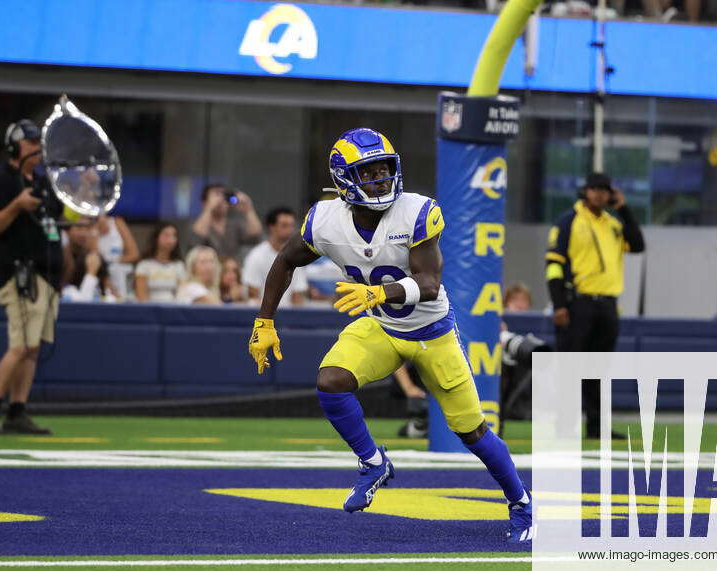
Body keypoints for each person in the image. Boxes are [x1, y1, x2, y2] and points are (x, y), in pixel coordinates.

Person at [247, 128, 534, 543]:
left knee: (472, 432)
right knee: (331, 381)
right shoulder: (325, 220)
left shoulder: (415, 213)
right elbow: (285, 261)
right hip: (382, 326)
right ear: (345, 179)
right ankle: (372, 461)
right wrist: (264, 321)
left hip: (431, 332)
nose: (381, 179)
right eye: (369, 172)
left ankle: (521, 503)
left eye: (385, 169)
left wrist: (380, 291)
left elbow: (431, 283)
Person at [0, 119, 65, 435]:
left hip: (45, 276)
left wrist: (84, 189)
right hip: (19, 274)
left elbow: (61, 218)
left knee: (33, 348)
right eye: (30, 143)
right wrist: (17, 205)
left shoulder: (41, 182)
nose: (37, 149)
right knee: (20, 345)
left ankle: (17, 410)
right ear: (15, 147)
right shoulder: (2, 181)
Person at [545, 172, 645, 439]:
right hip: (579, 303)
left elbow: (637, 244)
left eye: (605, 190)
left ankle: (596, 427)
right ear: (585, 191)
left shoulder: (612, 223)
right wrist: (559, 305)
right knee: (571, 367)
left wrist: (623, 208)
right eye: (595, 189)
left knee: (598, 369)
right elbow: (554, 264)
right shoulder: (569, 221)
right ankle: (565, 426)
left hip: (608, 305)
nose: (600, 194)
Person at [241, 207, 308, 307]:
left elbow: (297, 296)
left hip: (289, 317)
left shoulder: (298, 256)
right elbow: (252, 295)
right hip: (262, 316)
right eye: (284, 225)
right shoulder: (256, 256)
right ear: (271, 227)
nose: (290, 230)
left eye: (292, 226)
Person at [190, 183, 263, 260]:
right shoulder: (197, 223)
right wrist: (209, 207)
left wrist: (248, 209)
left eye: (224, 196)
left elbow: (256, 238)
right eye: (217, 195)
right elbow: (195, 241)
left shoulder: (234, 224)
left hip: (232, 270)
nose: (221, 199)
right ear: (204, 202)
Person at [62, 224, 115, 303]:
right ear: (67, 232)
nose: (84, 233)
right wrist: (91, 273)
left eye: (88, 228)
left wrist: (94, 250)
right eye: (79, 228)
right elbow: (82, 306)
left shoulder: (97, 257)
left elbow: (110, 292)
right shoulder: (63, 256)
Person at [134, 223, 185, 303]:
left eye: (174, 236)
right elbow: (141, 295)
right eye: (166, 235)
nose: (170, 239)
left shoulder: (179, 265)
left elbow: (182, 293)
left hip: (173, 309)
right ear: (156, 238)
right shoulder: (144, 265)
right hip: (149, 309)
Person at [94, 214, 139, 299]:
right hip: (97, 276)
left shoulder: (117, 221)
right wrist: (96, 230)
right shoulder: (88, 224)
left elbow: (134, 254)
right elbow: (91, 256)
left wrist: (113, 261)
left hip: (117, 275)